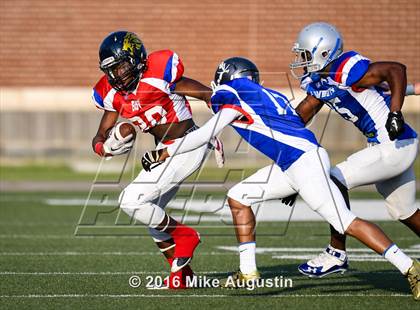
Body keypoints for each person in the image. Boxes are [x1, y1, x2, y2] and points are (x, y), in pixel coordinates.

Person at [141, 56, 420, 299]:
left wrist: (165, 152)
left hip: (302, 163)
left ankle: (409, 267)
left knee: (344, 221)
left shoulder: (233, 92)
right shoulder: (268, 96)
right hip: (297, 162)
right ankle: (248, 271)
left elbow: (205, 132)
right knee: (239, 196)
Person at [288, 22, 419, 278]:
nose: (301, 60)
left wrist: (395, 112)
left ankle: (336, 253)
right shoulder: (319, 81)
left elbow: (395, 69)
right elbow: (302, 114)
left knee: (333, 179)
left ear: (323, 52)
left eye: (305, 54)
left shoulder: (346, 70)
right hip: (392, 147)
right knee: (404, 210)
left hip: (393, 145)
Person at [91, 30, 219, 289]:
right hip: (164, 150)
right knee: (150, 213)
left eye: (122, 66)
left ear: (137, 59)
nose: (117, 75)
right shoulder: (112, 93)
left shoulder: (158, 75)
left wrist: (219, 126)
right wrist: (104, 147)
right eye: (111, 70)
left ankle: (185, 235)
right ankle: (183, 276)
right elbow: (101, 133)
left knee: (131, 200)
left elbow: (209, 96)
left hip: (188, 145)